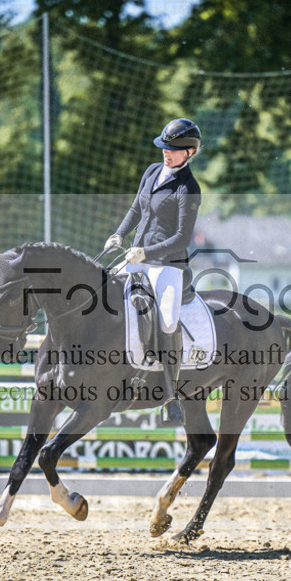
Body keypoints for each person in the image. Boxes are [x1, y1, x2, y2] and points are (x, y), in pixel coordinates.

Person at [104, 118, 203, 424]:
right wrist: (119, 234)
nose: (166, 154)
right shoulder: (151, 171)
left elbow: (182, 239)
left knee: (169, 320)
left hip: (168, 265)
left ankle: (172, 395)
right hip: (136, 256)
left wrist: (146, 252)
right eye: (165, 148)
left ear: (189, 153)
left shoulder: (189, 188)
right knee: (102, 294)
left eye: (173, 150)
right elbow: (137, 208)